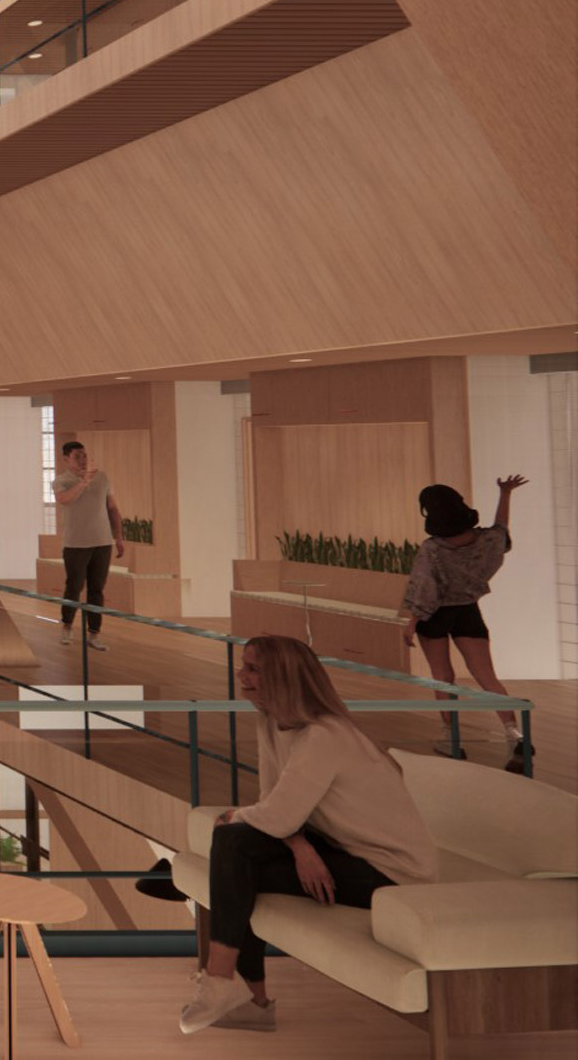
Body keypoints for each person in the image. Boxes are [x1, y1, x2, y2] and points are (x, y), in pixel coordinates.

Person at [181, 635, 435, 1034]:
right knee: (235, 858)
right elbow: (275, 805)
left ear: (281, 678)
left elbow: (274, 815)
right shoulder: (271, 721)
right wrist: (299, 848)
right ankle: (245, 1001)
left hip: (392, 872)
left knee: (233, 856)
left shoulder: (325, 735)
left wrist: (237, 816)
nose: (240, 675)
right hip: (338, 848)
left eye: (252, 669)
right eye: (243, 666)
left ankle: (228, 989)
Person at [398, 476, 529, 763]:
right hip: (468, 610)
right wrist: (505, 494)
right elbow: (502, 530)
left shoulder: (432, 548)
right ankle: (514, 733)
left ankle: (451, 738)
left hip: (435, 616)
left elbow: (423, 588)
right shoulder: (487, 540)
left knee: (443, 678)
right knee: (488, 677)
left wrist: (412, 621)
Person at [50, 440, 124, 651]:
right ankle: (66, 626)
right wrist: (83, 481)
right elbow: (64, 499)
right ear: (66, 459)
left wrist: (118, 536)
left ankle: (94, 633)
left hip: (102, 542)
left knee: (97, 589)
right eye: (77, 456)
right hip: (76, 544)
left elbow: (112, 508)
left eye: (84, 455)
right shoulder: (61, 481)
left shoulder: (102, 477)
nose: (82, 460)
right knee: (74, 587)